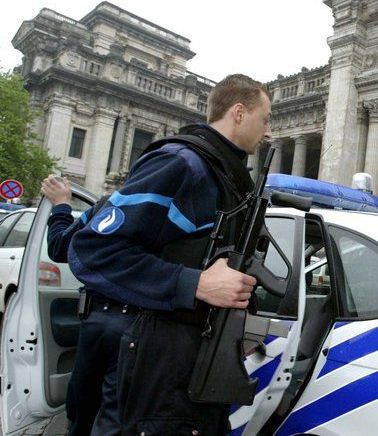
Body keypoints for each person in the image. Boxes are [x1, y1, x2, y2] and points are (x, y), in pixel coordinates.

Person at [68, 74, 272, 435]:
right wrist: (194, 283)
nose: (268, 131)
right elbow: (91, 250)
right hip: (155, 366)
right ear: (238, 112)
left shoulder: (224, 175)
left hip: (189, 362)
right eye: (265, 119)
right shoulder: (183, 163)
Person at [40, 175, 128, 436]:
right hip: (143, 330)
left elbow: (59, 247)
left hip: (99, 323)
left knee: (83, 414)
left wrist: (61, 205)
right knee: (116, 417)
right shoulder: (181, 216)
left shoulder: (109, 206)